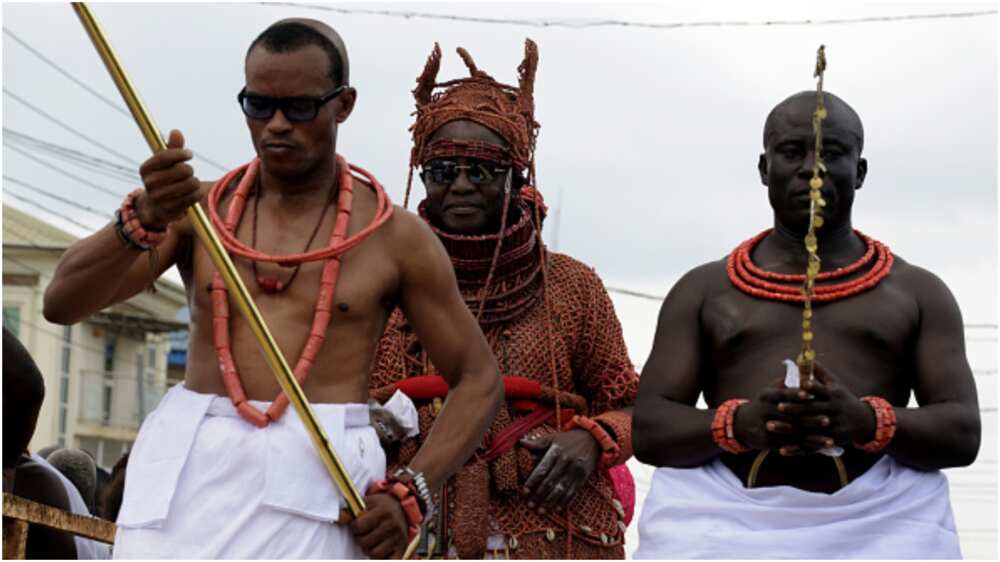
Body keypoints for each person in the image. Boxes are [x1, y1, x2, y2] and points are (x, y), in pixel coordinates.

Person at [44, 18, 502, 559]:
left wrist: (412, 490)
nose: (277, 125)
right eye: (258, 106)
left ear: (344, 104)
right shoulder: (197, 213)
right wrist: (139, 218)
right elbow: (62, 303)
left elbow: (478, 379)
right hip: (187, 471)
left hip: (318, 474)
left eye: (300, 107)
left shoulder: (394, 237)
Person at [632, 91, 980, 559]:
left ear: (859, 171)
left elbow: (961, 433)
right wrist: (742, 423)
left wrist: (863, 420)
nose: (812, 169)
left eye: (832, 153)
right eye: (793, 152)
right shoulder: (703, 290)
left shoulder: (918, 293)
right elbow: (650, 430)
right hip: (721, 525)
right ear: (764, 168)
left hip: (883, 527)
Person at [370, 40, 639, 558]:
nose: (463, 185)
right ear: (423, 176)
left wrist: (591, 441)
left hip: (550, 526)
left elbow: (631, 404)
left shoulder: (572, 285)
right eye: (445, 171)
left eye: (483, 169)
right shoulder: (381, 285)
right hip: (404, 520)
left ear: (516, 176)